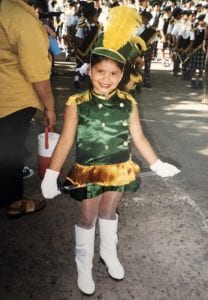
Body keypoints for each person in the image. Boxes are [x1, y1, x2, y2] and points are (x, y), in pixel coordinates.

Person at [41, 6, 180, 296]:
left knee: (109, 212)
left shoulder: (128, 102)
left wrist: (156, 164)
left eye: (113, 73)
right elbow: (66, 141)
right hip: (88, 171)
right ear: (90, 70)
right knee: (87, 218)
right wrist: (51, 174)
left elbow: (138, 137)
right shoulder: (77, 101)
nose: (106, 78)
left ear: (121, 74)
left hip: (119, 168)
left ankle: (108, 252)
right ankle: (83, 262)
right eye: (100, 71)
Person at [0, 0, 56, 217]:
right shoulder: (20, 17)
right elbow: (37, 73)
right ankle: (14, 203)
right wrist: (49, 108)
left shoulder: (9, 11)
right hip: (12, 99)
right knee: (10, 152)